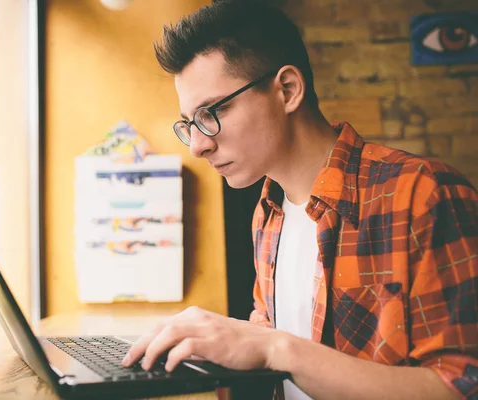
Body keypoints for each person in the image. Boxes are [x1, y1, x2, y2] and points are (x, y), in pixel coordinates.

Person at [121, 0, 478, 398]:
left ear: (287, 90)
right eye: (189, 124)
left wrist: (276, 349)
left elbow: (461, 386)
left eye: (211, 113)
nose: (198, 146)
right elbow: (272, 335)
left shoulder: (424, 192)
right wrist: (206, 348)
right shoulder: (268, 211)